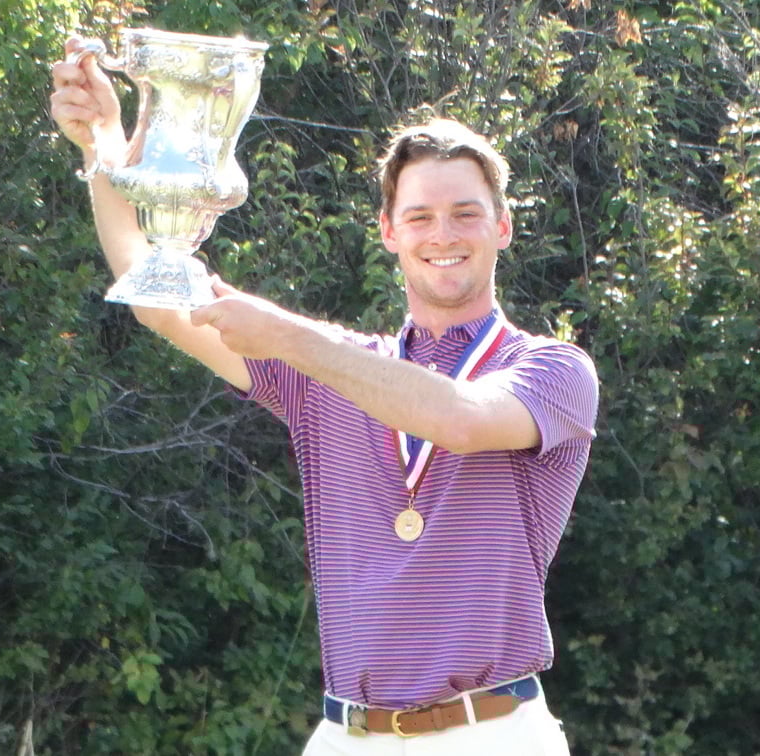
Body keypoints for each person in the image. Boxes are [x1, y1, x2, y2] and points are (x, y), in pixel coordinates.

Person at [51, 36, 599, 755]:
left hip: (491, 733)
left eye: (465, 213)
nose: (442, 234)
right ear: (388, 232)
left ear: (502, 225)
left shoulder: (553, 370)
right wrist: (102, 146)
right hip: (347, 734)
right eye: (419, 217)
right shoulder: (328, 366)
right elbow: (155, 298)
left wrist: (288, 337)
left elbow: (460, 420)